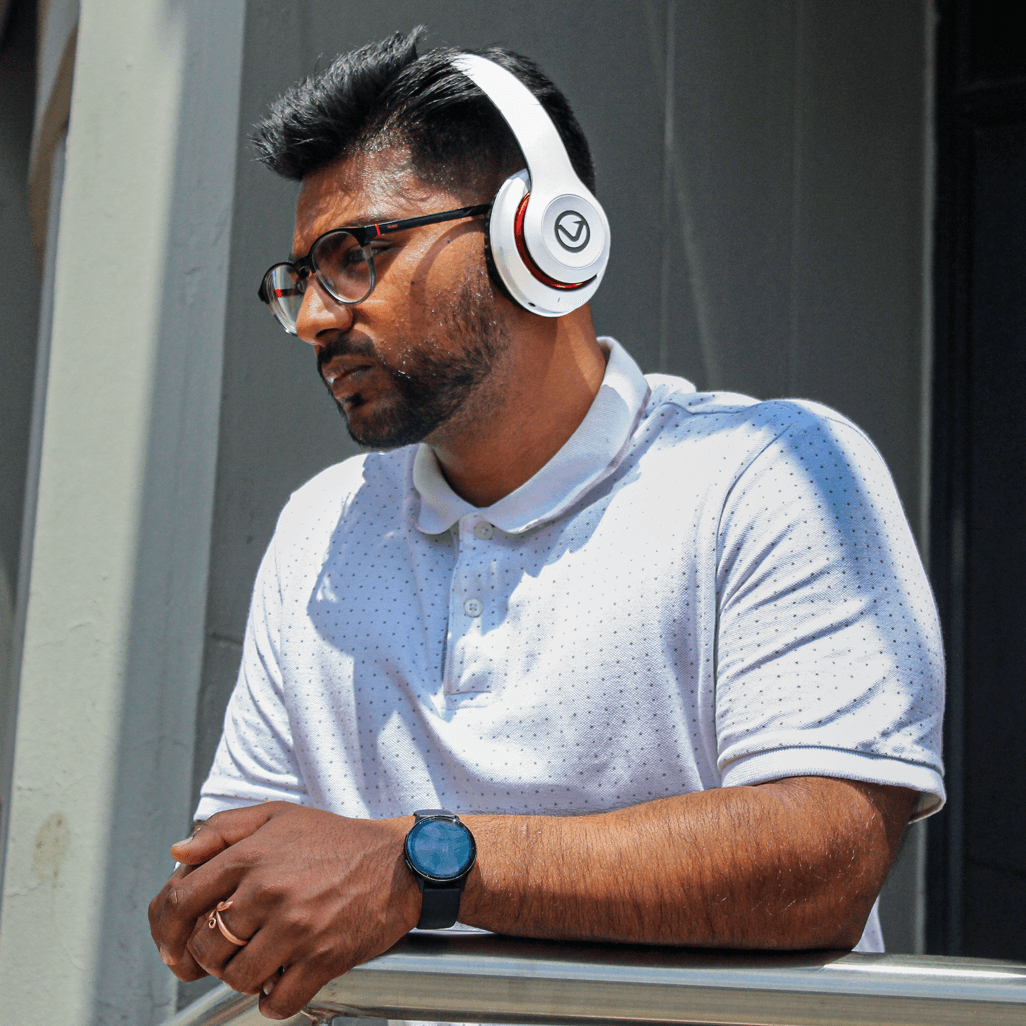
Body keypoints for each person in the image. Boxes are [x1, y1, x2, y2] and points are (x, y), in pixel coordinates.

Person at [149, 29, 945, 1022]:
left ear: (540, 235)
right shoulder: (319, 530)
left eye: (356, 255)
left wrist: (424, 865)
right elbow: (251, 873)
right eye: (299, 277)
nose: (314, 316)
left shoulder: (769, 474)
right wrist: (225, 910)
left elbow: (824, 862)